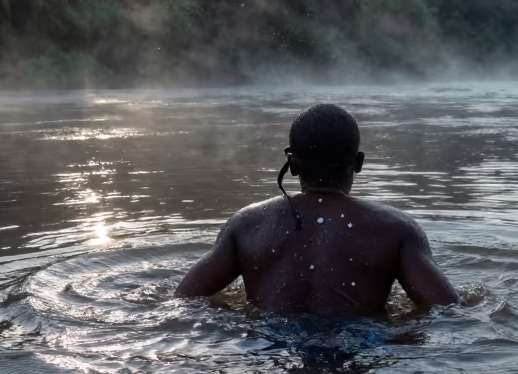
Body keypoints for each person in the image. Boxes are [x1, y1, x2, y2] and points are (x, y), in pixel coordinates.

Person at [175, 103, 459, 317]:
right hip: (360, 348)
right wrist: (403, 336)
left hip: (270, 352)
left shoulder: (246, 224)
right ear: (358, 163)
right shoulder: (395, 229)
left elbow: (186, 299)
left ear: (292, 163)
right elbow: (447, 310)